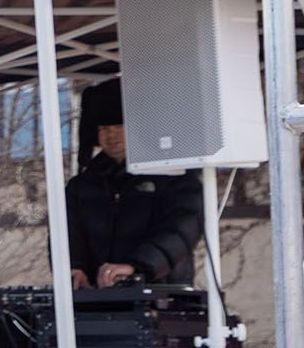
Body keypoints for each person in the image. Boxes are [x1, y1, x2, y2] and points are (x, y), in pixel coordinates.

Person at [66, 78, 203, 289]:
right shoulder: (81, 186)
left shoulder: (174, 175)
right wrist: (74, 268)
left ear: (139, 126)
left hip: (161, 294)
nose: (111, 135)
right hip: (95, 297)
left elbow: (181, 230)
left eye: (119, 126)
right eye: (103, 128)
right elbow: (68, 233)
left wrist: (137, 268)